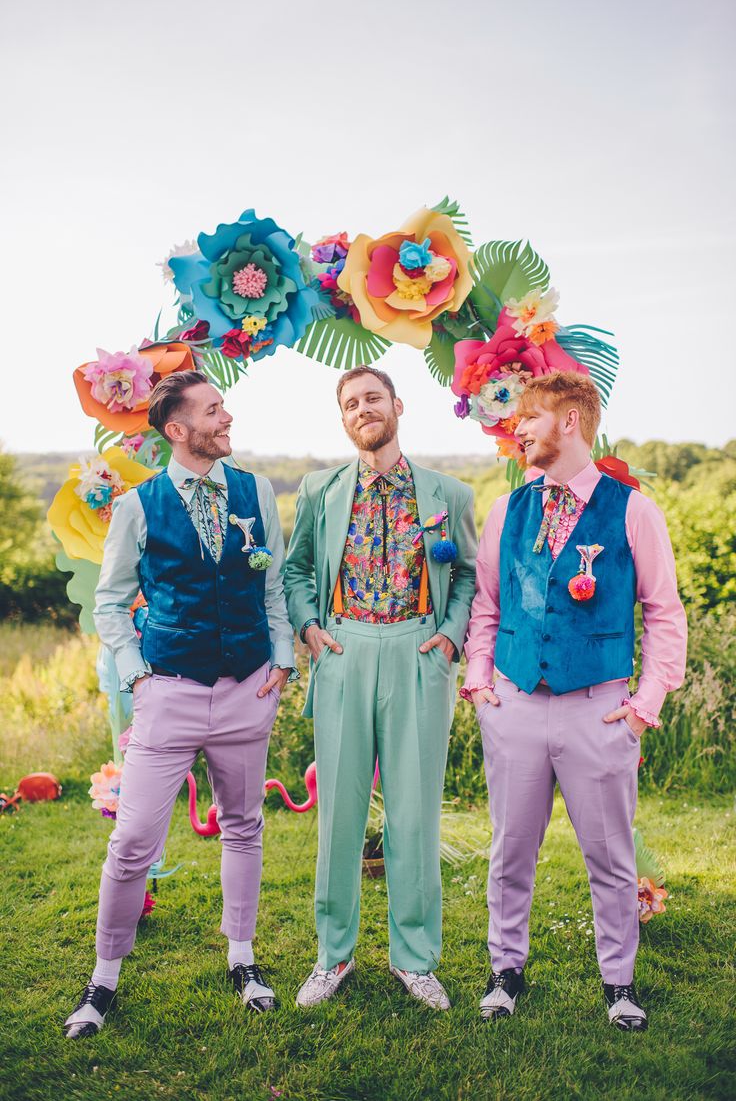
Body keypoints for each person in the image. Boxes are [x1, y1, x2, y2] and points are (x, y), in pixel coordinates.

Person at [63, 370, 295, 1038]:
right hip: (168, 693)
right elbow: (111, 602)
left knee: (243, 826)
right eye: (214, 411)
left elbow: (271, 582)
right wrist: (138, 676)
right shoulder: (140, 506)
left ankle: (243, 960)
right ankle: (104, 977)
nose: (227, 418)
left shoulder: (255, 491)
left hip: (248, 687)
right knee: (133, 841)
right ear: (177, 430)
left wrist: (280, 656)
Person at [463, 371, 686, 1030]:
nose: (517, 429)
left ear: (568, 421)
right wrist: (480, 683)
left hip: (600, 707)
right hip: (515, 705)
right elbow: (487, 606)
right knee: (510, 848)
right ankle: (505, 970)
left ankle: (619, 983)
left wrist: (645, 705)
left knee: (611, 856)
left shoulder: (634, 510)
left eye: (528, 418)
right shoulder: (509, 508)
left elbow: (664, 616)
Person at [284, 365, 477, 1010]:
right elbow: (297, 571)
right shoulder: (320, 490)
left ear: (398, 405)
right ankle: (333, 956)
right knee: (338, 813)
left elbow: (471, 576)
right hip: (344, 651)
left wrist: (451, 635)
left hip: (419, 654)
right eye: (350, 404)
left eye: (373, 398)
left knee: (414, 814)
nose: (362, 409)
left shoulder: (448, 494)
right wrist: (310, 627)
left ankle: (415, 959)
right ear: (343, 419)